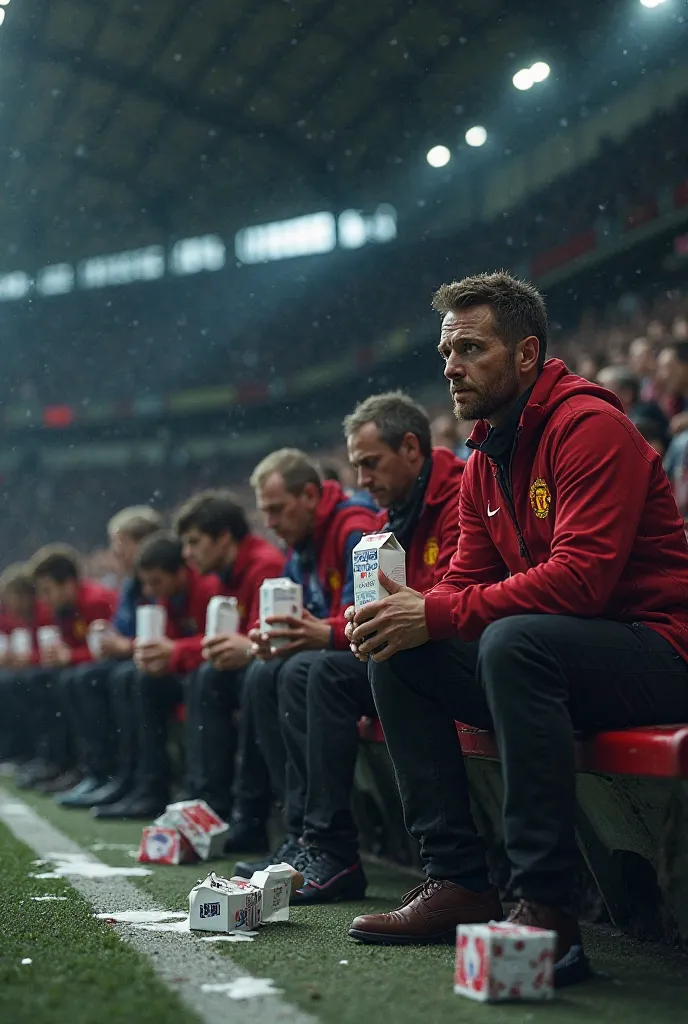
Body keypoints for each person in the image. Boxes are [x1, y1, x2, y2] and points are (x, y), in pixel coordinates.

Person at [345, 271, 688, 987]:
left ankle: (548, 912)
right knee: (398, 655)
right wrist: (400, 616)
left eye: (470, 348)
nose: (450, 366)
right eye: (446, 351)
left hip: (656, 649)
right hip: (568, 656)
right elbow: (464, 580)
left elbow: (582, 581)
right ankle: (459, 881)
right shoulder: (484, 459)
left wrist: (434, 611)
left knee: (512, 640)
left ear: (527, 354)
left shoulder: (588, 426)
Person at [266, 392, 465, 904]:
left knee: (325, 671)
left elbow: (460, 592)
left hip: (455, 652)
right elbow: (372, 604)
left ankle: (342, 853)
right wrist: (353, 626)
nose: (361, 480)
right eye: (356, 465)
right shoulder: (386, 515)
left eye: (371, 464)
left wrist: (340, 631)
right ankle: (315, 841)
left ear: (412, 449)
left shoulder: (460, 494)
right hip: (410, 654)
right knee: (298, 672)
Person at [232, 448, 378, 868]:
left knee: (299, 671)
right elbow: (297, 619)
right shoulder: (302, 543)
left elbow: (361, 618)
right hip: (337, 658)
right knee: (264, 672)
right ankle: (299, 833)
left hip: (368, 658)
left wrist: (317, 633)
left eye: (278, 509)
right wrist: (268, 637)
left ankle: (329, 844)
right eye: (266, 512)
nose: (272, 523)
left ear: (311, 495)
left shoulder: (354, 526)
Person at [95, 531, 220, 819]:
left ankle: (184, 790)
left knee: (171, 682)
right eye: (146, 583)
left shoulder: (207, 588)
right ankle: (143, 784)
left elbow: (218, 638)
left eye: (156, 582)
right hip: (187, 674)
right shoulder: (167, 597)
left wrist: (174, 651)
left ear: (179, 572)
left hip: (204, 676)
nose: (150, 591)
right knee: (135, 678)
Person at [59, 506, 165, 809]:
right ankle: (104, 773)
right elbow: (123, 630)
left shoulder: (159, 578)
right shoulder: (130, 585)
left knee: (117, 678)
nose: (115, 554)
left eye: (121, 546)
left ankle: (134, 779)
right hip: (136, 662)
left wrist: (124, 645)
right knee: (83, 678)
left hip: (153, 666)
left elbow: (162, 634)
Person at [17, 546, 116, 791]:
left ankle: (95, 769)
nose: (43, 599)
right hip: (83, 672)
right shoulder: (64, 609)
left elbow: (103, 650)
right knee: (41, 678)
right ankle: (56, 761)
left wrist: (70, 656)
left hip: (106, 672)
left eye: (47, 590)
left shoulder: (96, 601)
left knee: (76, 680)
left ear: (69, 584)